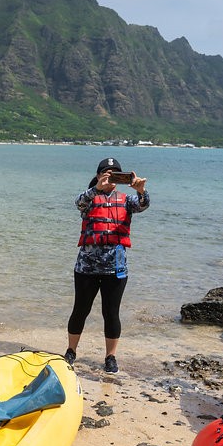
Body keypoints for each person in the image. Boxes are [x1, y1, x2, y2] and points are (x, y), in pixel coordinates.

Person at [64, 157, 149, 373]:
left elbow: (143, 205)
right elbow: (78, 203)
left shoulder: (126, 200)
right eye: (107, 173)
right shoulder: (89, 198)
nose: (111, 177)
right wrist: (96, 188)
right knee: (80, 310)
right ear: (99, 175)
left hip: (116, 268)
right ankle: (71, 351)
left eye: (115, 174)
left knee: (111, 313)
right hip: (86, 268)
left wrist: (140, 190)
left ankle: (110, 357)